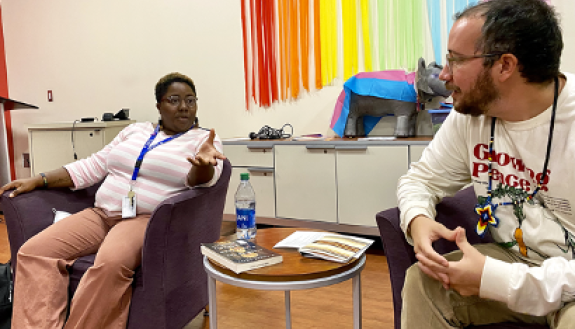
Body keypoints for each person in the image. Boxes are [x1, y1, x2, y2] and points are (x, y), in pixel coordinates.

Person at [398, 0, 575, 328]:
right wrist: (417, 219)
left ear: (505, 66)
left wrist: (499, 280)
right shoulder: (470, 116)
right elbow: (420, 179)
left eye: (456, 60)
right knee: (424, 283)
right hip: (515, 258)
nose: (444, 74)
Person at [0, 72, 226, 328]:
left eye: (190, 100)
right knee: (34, 252)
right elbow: (94, 165)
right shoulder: (135, 130)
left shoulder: (203, 139)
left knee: (110, 265)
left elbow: (203, 181)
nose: (184, 107)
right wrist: (39, 179)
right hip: (101, 214)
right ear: (159, 106)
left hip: (144, 220)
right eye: (174, 100)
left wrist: (203, 165)